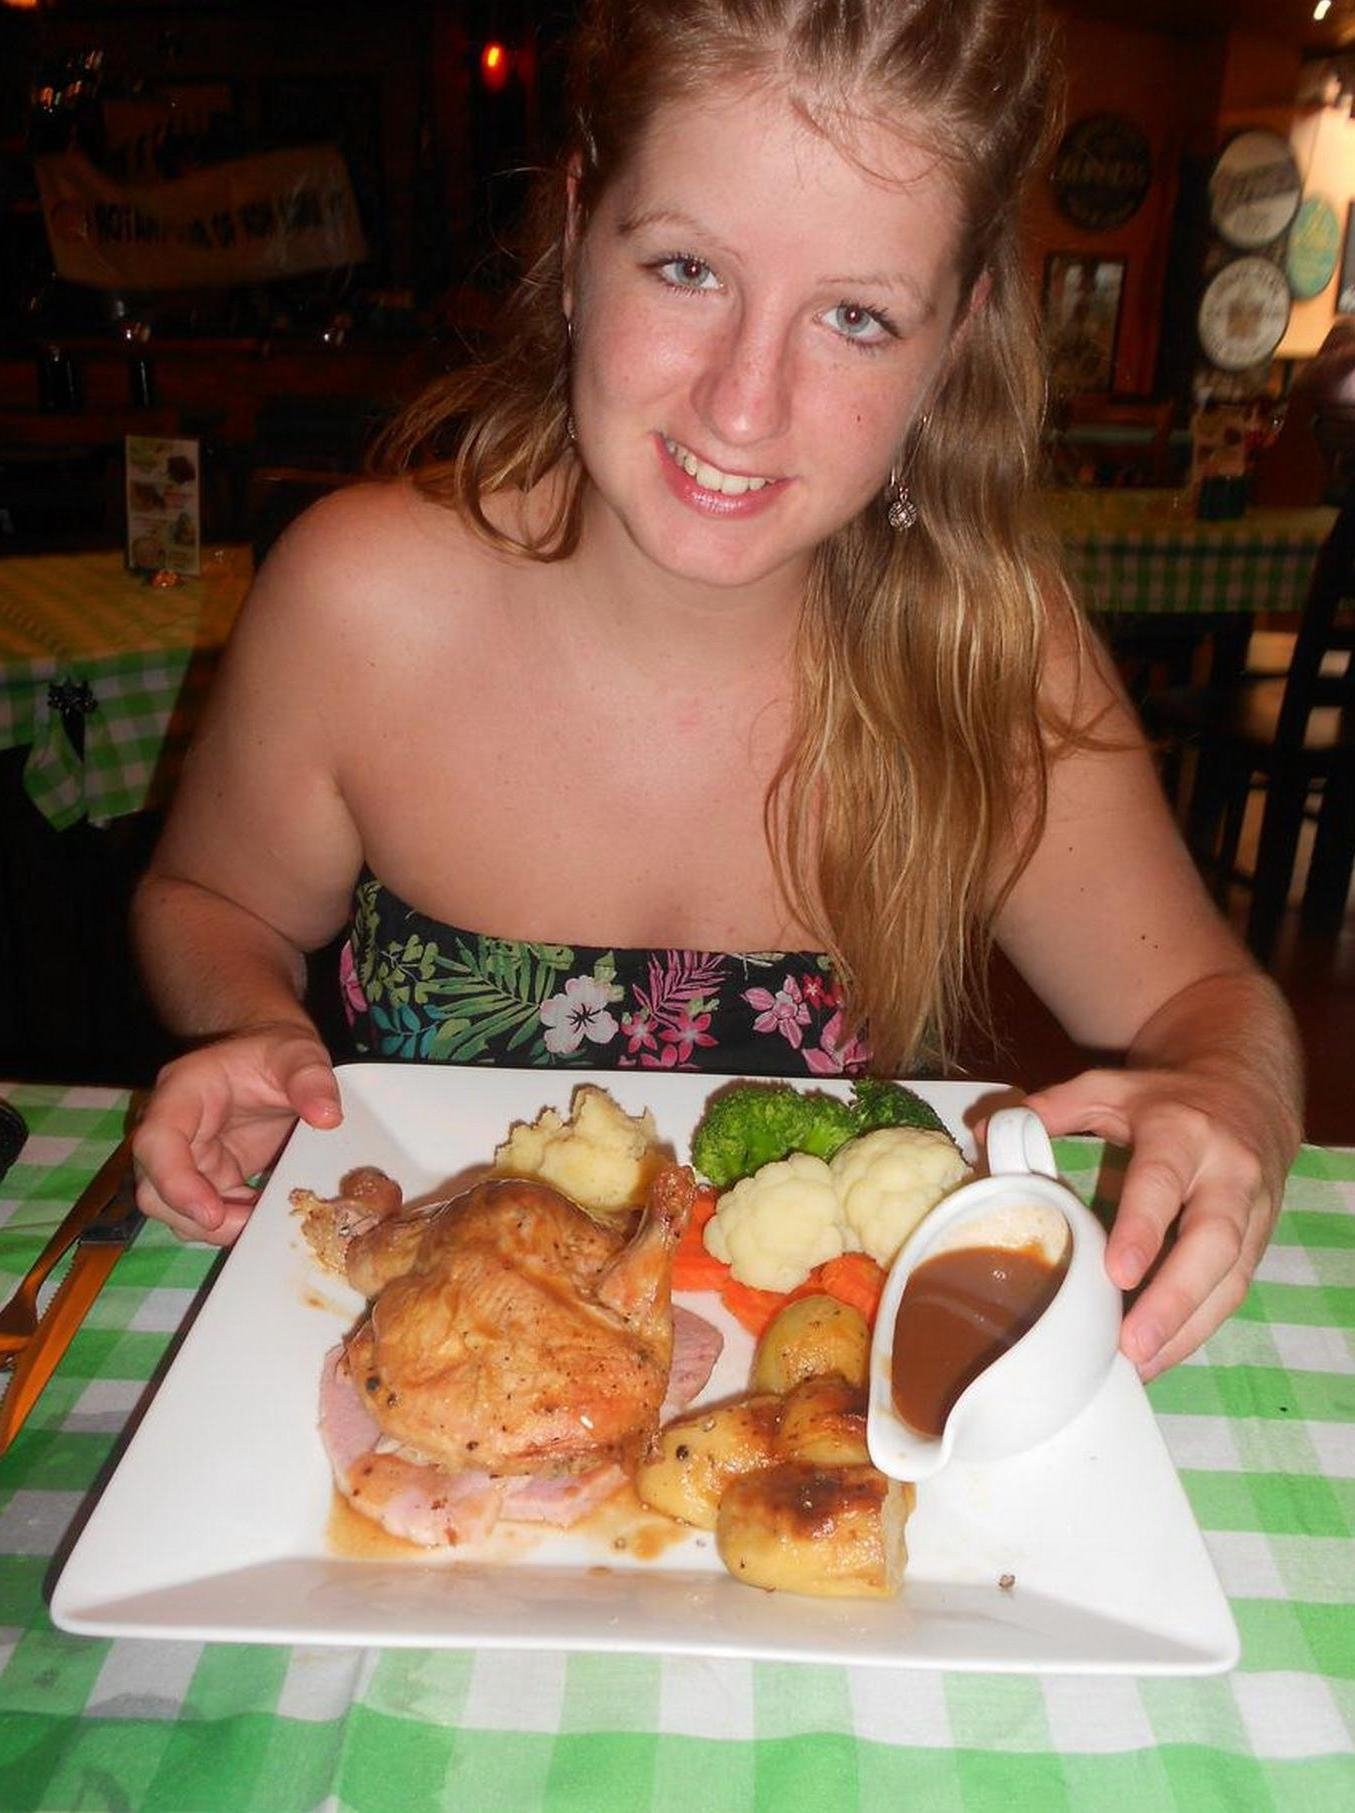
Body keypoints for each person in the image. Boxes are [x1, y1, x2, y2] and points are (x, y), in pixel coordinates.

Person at [130, 0, 1302, 1383]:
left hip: (808, 1437)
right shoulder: (358, 598)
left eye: (858, 317)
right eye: (687, 269)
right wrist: (250, 1030)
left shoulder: (994, 654)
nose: (745, 404)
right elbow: (211, 903)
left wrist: (1231, 1095)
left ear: (955, 335)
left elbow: (1209, 1004)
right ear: (579, 234)